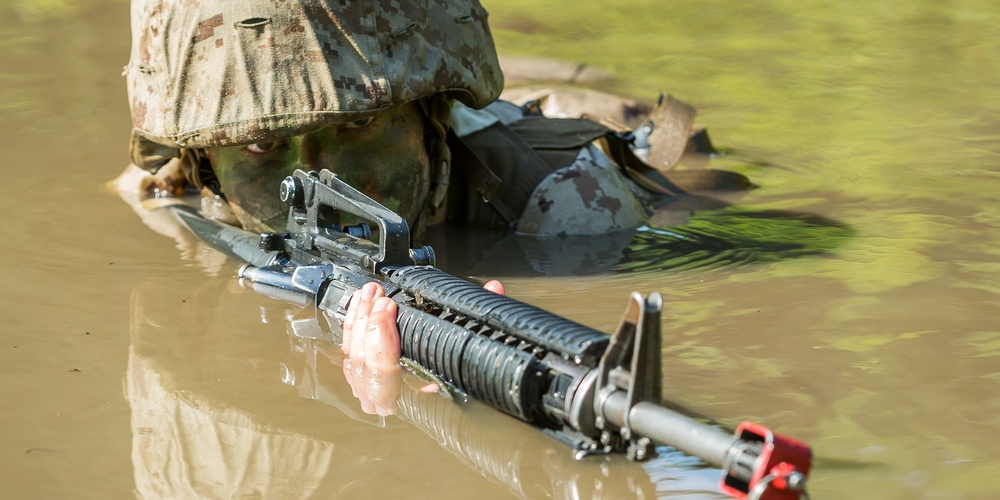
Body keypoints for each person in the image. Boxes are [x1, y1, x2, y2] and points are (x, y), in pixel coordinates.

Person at [124, 0, 746, 408]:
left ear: (431, 116)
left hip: (508, 121)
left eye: (360, 126)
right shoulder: (179, 170)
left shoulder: (567, 208)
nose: (317, 174)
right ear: (203, 158)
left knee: (659, 140)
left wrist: (477, 356)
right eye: (261, 145)